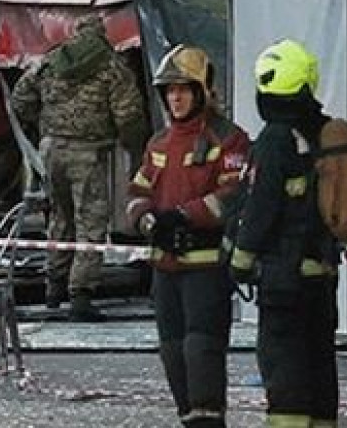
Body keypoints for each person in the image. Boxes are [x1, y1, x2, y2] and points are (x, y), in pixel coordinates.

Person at [126, 45, 250, 428]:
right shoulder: (159, 143)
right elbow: (136, 194)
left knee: (202, 349)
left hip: (207, 269)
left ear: (202, 90)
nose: (175, 97)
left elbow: (234, 194)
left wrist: (184, 216)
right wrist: (149, 223)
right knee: (172, 351)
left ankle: (208, 422)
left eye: (184, 89)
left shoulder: (228, 139)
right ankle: (188, 418)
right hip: (165, 269)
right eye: (169, 90)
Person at [229, 39, 341, 428]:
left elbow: (261, 206)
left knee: (285, 368)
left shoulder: (275, 140)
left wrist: (240, 260)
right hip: (322, 275)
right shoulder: (326, 135)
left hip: (283, 278)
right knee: (318, 367)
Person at [10, 14, 148, 321]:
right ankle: (81, 295)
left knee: (59, 217)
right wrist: (133, 147)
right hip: (88, 152)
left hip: (51, 150)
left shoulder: (52, 60)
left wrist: (42, 126)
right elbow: (129, 115)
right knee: (91, 221)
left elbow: (20, 98)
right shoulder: (111, 66)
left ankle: (54, 288)